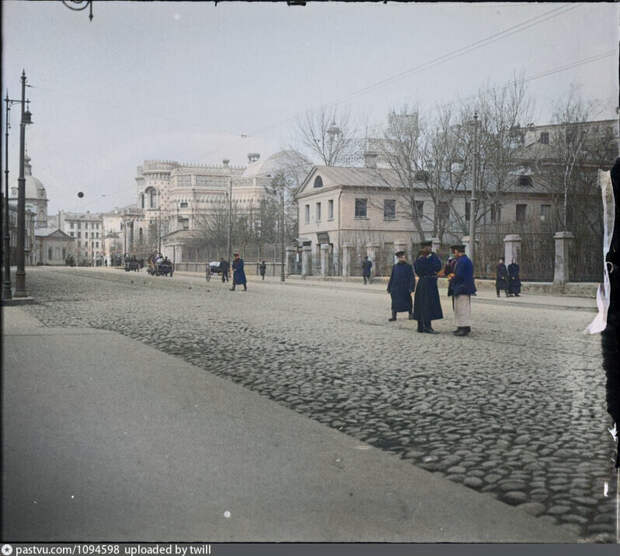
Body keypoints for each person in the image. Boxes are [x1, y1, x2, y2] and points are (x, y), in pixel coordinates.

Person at [413, 241, 443, 334]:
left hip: (431, 282)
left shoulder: (433, 256)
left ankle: (424, 325)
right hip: (424, 282)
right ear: (423, 248)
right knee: (423, 304)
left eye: (430, 247)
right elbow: (421, 269)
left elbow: (438, 266)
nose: (429, 249)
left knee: (428, 304)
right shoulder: (419, 258)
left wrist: (432, 258)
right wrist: (429, 262)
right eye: (427, 248)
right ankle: (424, 326)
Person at [449, 244, 476, 336]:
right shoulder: (465, 260)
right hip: (464, 287)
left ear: (457, 251)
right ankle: (463, 326)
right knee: (462, 307)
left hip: (462, 287)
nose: (454, 254)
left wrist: (451, 278)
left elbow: (459, 275)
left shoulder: (462, 261)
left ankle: (463, 327)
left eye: (454, 252)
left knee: (462, 308)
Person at [387, 251, 415, 321]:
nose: (401, 259)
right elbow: (392, 278)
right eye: (399, 257)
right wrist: (389, 287)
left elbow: (412, 278)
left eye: (402, 257)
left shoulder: (408, 267)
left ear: (404, 257)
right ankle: (394, 316)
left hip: (405, 288)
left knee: (408, 302)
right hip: (395, 288)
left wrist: (411, 288)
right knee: (394, 303)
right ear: (397, 258)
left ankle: (410, 314)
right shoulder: (395, 267)